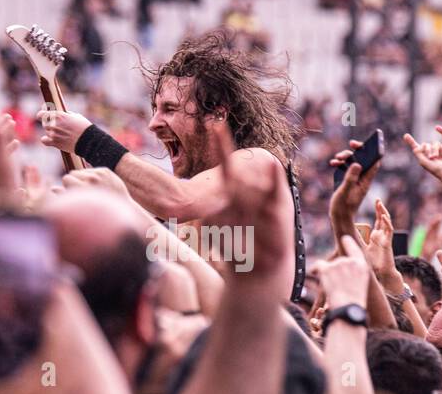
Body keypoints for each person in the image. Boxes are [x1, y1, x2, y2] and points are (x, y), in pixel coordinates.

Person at [35, 30, 307, 302]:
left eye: (170, 109)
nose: (153, 123)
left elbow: (174, 198)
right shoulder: (197, 207)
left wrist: (89, 141)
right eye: (155, 108)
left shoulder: (258, 162)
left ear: (217, 114)